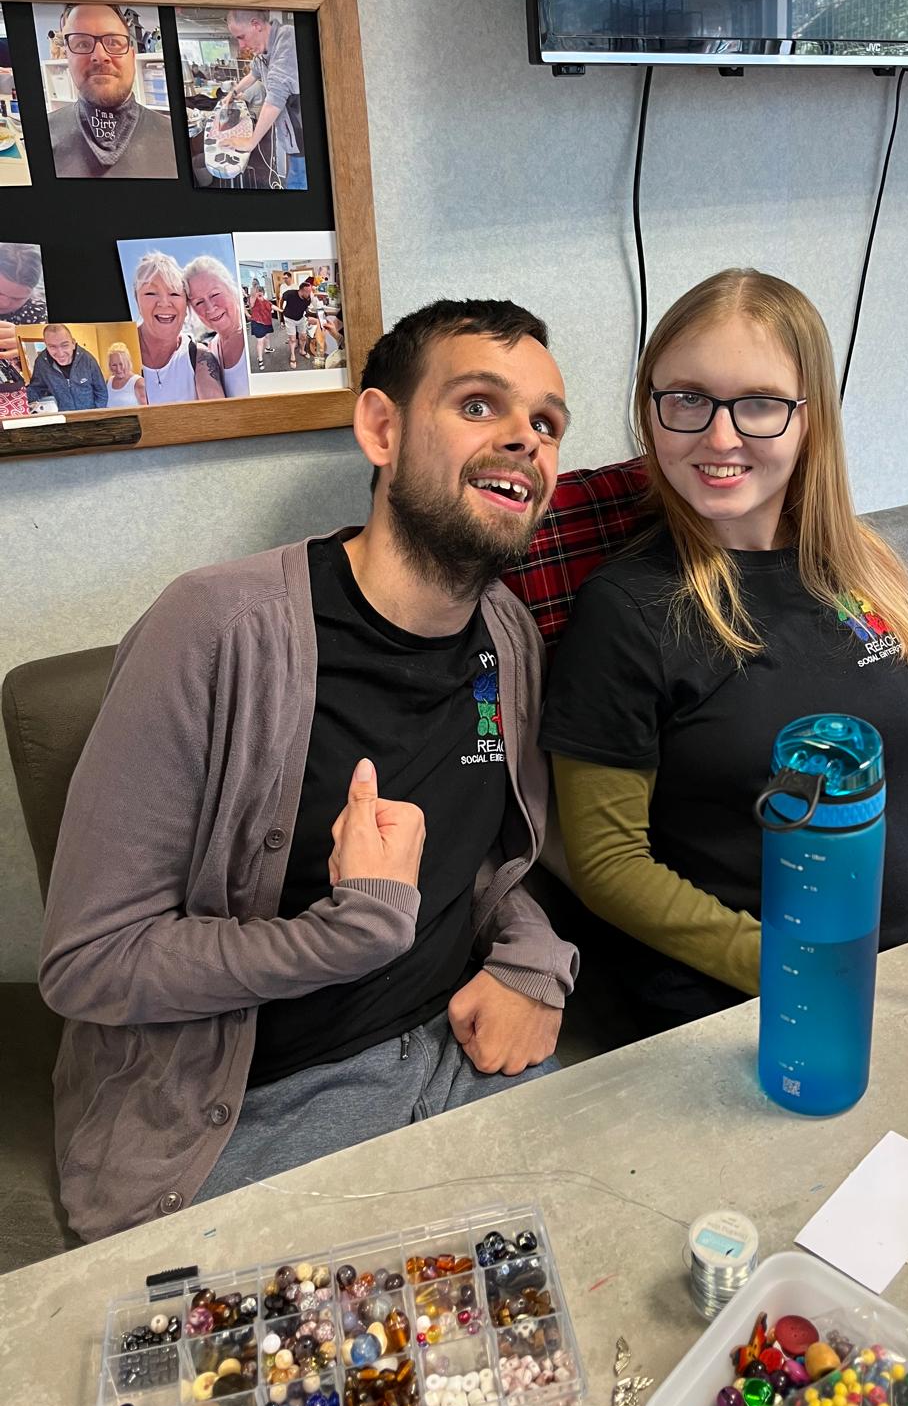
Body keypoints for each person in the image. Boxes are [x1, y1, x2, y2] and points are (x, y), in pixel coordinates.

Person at [39, 297, 576, 1241]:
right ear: (382, 429)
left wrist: (536, 960)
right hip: (249, 1116)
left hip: (457, 1057)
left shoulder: (506, 643)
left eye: (547, 423)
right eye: (479, 405)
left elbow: (493, 861)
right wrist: (342, 937)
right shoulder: (212, 631)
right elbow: (89, 963)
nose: (525, 440)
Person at [540, 269, 908, 1036]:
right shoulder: (628, 609)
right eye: (687, 399)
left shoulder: (858, 566)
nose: (719, 437)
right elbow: (610, 866)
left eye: (760, 403)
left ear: (811, 418)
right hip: (753, 1009)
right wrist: (805, 974)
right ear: (650, 408)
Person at [47, 4, 176, 180]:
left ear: (132, 57)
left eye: (114, 42)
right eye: (82, 44)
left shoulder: (175, 139)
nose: (100, 56)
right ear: (67, 57)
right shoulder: (40, 138)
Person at [222, 9, 305, 189]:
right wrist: (233, 93)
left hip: (302, 132)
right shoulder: (263, 52)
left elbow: (275, 98)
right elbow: (253, 74)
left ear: (256, 25)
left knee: (299, 180)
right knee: (294, 175)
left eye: (241, 37)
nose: (241, 46)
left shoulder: (287, 39)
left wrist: (251, 142)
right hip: (290, 132)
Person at [132, 250, 225, 404]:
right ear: (137, 301)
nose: (164, 303)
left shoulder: (199, 356)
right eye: (151, 293)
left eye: (174, 294)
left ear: (186, 305)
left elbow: (217, 413)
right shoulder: (113, 349)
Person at [184, 255, 251, 398]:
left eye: (215, 294)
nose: (210, 308)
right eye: (198, 302)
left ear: (231, 288)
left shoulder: (255, 338)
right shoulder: (211, 350)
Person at [26, 324, 109, 411]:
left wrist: (96, 414)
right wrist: (21, 398)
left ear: (73, 343)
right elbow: (37, 388)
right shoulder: (41, 363)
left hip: (89, 415)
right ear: (46, 345)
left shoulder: (88, 359)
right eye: (52, 347)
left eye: (64, 345)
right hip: (62, 416)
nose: (60, 353)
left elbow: (101, 391)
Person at [0, 243, 47, 368]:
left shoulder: (38, 315)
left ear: (31, 294)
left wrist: (30, 348)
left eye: (17, 298)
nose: (4, 303)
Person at [279, 276, 314, 368]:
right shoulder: (290, 294)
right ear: (301, 291)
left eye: (310, 291)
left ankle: (302, 350)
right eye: (307, 292)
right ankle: (292, 356)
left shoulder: (308, 298)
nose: (309, 294)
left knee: (303, 337)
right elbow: (281, 299)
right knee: (293, 339)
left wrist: (308, 316)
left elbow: (305, 308)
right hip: (289, 318)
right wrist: (280, 309)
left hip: (300, 318)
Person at [104, 340, 147, 407]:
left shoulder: (138, 382)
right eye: (114, 365)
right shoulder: (108, 382)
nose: (118, 369)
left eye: (121, 364)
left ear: (128, 362)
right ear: (109, 365)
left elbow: (146, 410)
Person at [247, 279, 275, 368]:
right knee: (260, 341)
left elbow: (270, 305)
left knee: (267, 336)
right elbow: (252, 296)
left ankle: (268, 348)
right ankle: (260, 360)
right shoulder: (253, 299)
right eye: (258, 292)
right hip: (257, 322)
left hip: (266, 321)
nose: (259, 293)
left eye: (261, 292)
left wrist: (282, 310)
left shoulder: (263, 299)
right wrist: (254, 287)